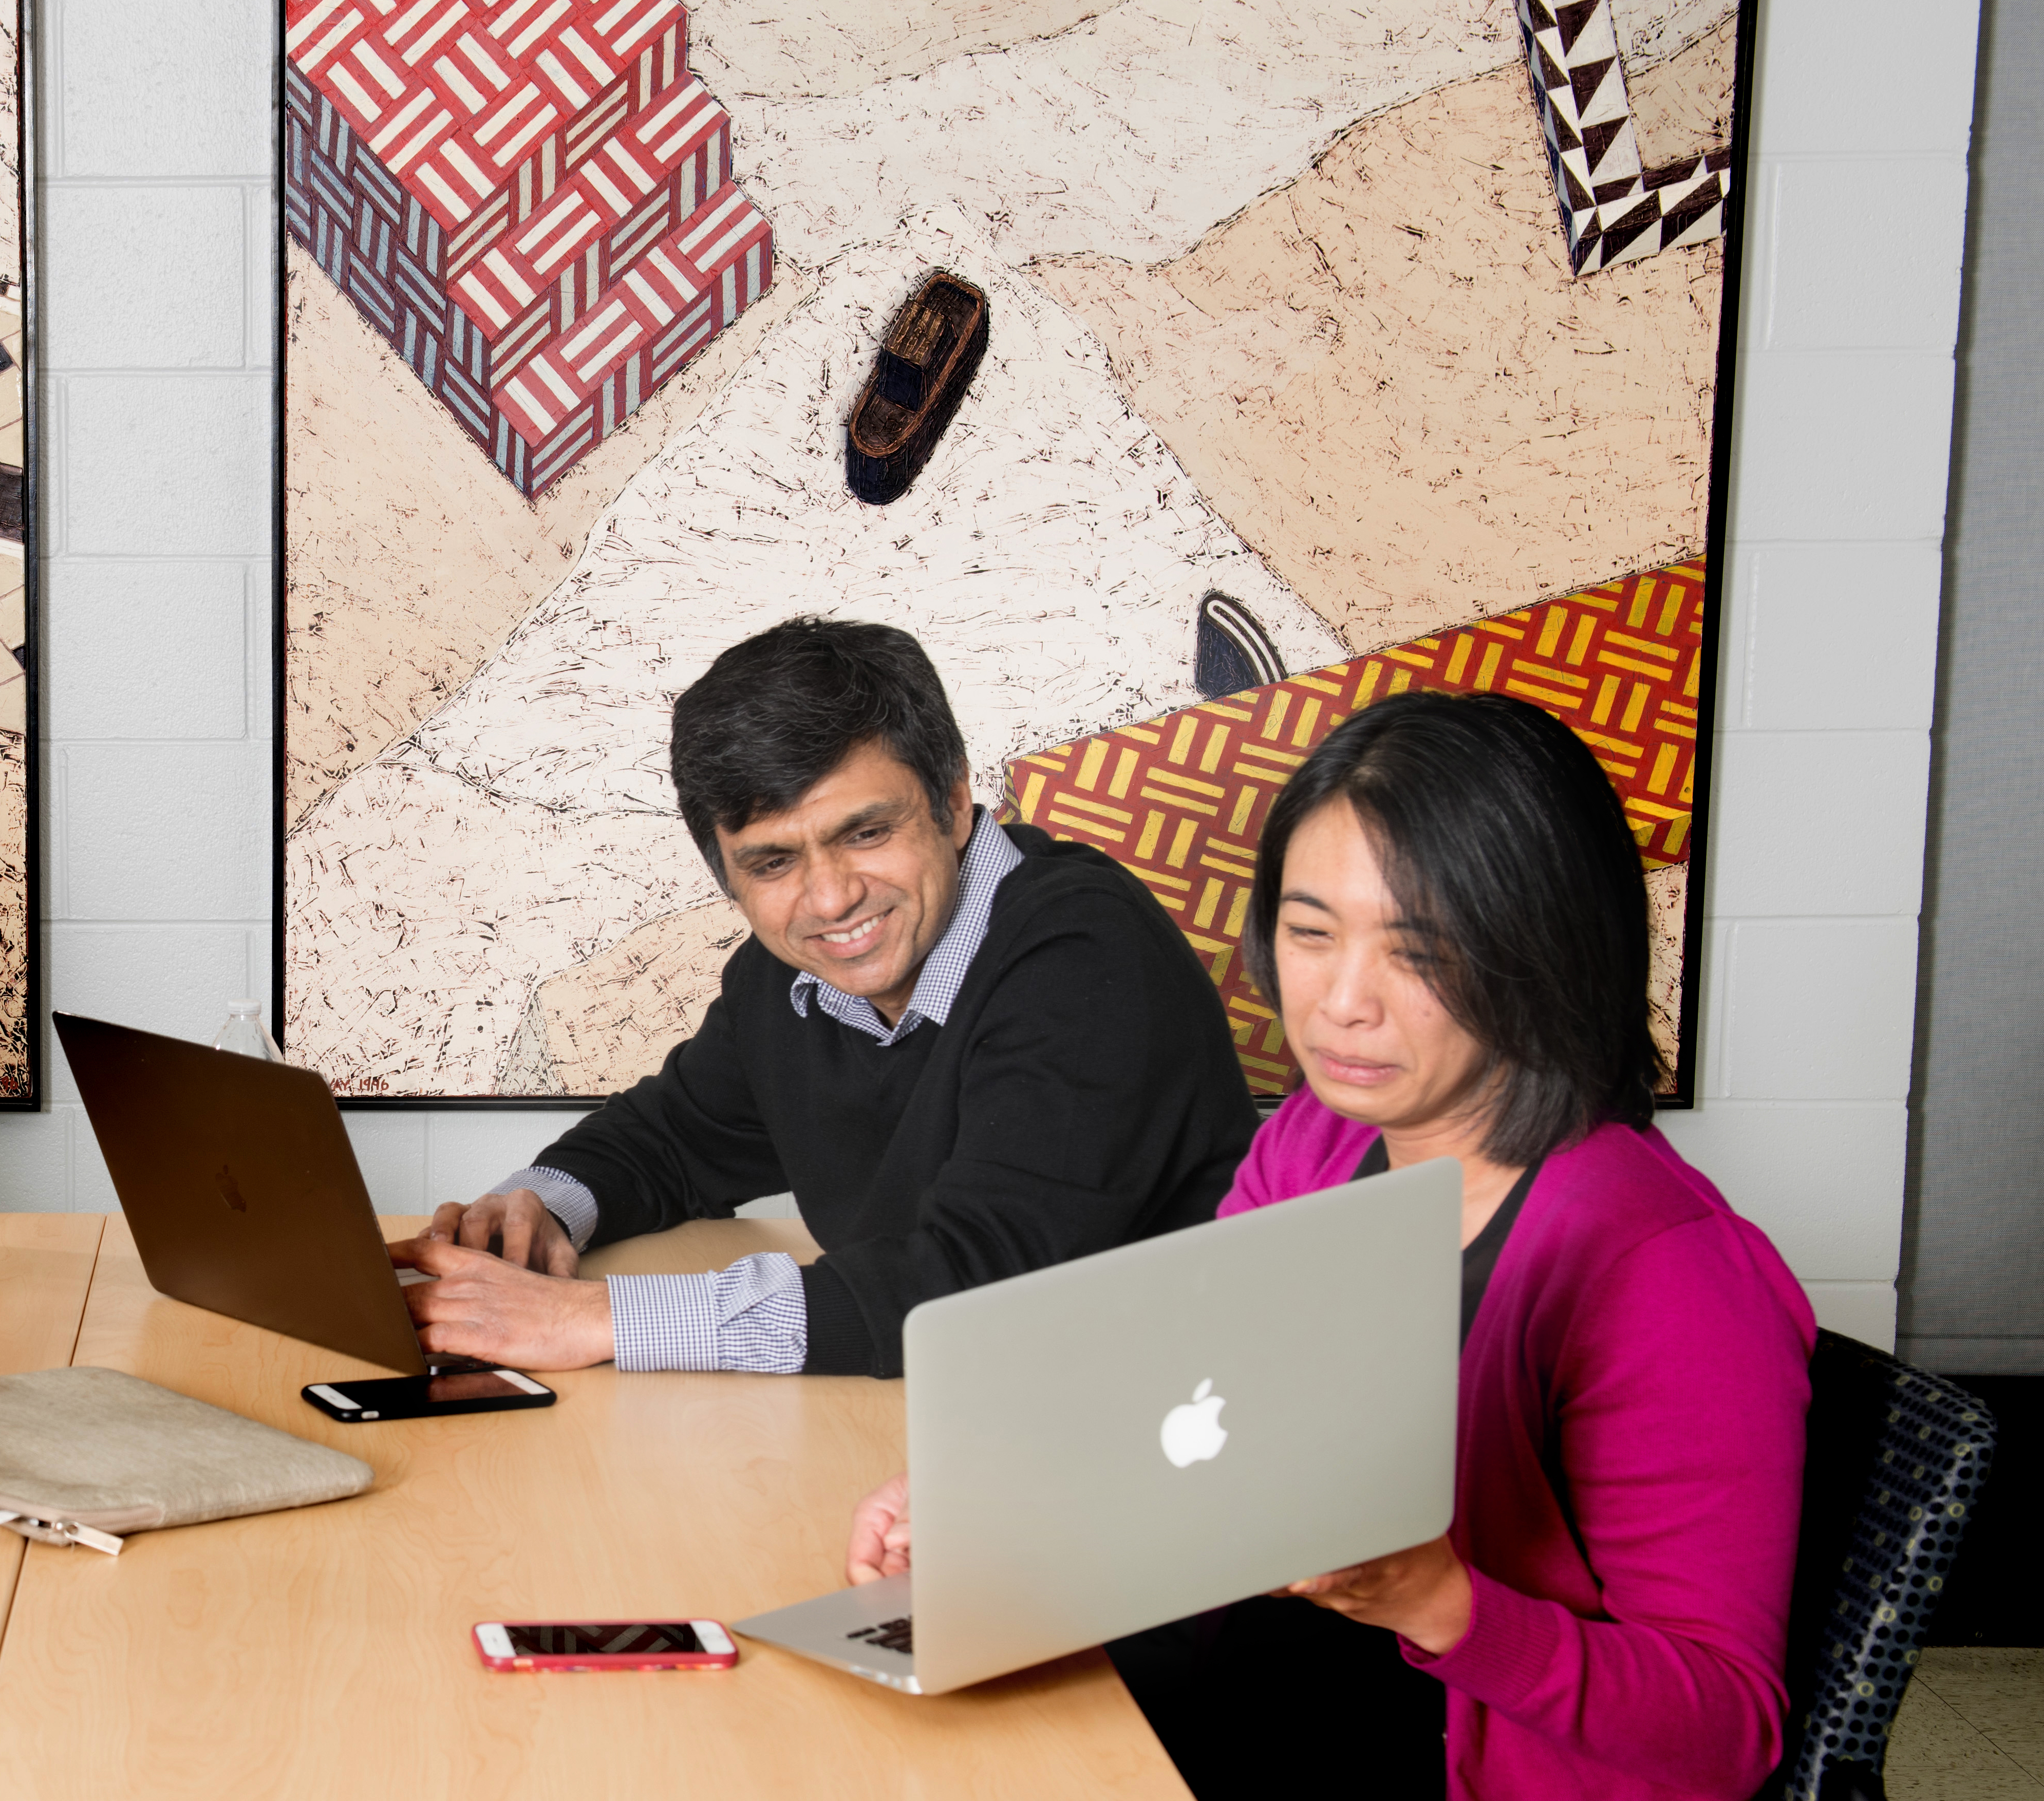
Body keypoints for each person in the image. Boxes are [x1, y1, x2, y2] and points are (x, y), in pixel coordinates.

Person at [840, 691, 1812, 1801]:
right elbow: (1193, 1404)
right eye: (1310, 933)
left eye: (1422, 952)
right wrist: (996, 1493)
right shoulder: (1320, 1135)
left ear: (1547, 948)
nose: (1342, 1004)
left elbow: (1727, 1735)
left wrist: (1441, 1604)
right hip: (1249, 1682)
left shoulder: (1666, 1271)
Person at [393, 616, 1257, 1376]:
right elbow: (679, 1138)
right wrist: (541, 1208)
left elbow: (985, 1282)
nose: (832, 899)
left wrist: (599, 1319)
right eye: (773, 863)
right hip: (966, 1418)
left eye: (867, 833)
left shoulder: (1084, 955)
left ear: (955, 803)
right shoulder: (794, 978)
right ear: (726, 875)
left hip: (1168, 1416)